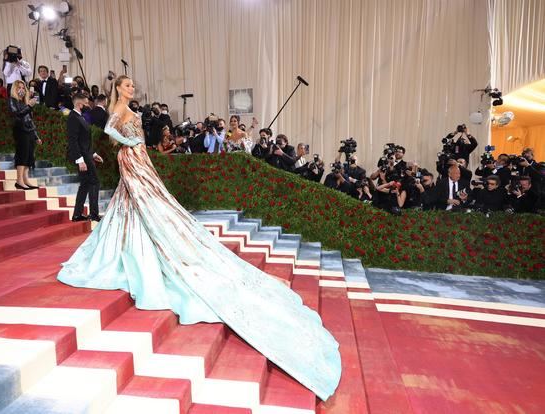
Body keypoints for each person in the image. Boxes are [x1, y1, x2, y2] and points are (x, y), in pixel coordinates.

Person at [57, 75, 341, 401]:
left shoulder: (130, 111)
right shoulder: (117, 112)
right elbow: (116, 137)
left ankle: (133, 244)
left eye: (133, 86)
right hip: (130, 161)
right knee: (137, 204)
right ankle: (128, 247)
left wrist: (140, 154)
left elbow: (134, 141)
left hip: (141, 160)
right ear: (118, 88)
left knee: (143, 205)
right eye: (127, 86)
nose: (132, 89)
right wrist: (129, 151)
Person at [67, 92, 103, 222]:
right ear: (79, 103)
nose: (88, 105)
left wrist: (93, 154)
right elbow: (73, 141)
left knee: (85, 184)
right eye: (86, 103)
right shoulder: (73, 117)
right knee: (94, 182)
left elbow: (84, 140)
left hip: (86, 155)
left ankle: (77, 214)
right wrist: (80, 160)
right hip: (82, 157)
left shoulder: (80, 117)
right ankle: (94, 214)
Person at [8, 80, 41, 190]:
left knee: (29, 155)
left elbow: (30, 121)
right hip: (20, 130)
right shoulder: (12, 101)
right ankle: (19, 180)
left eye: (23, 88)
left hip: (29, 131)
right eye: (19, 88)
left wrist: (36, 136)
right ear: (15, 89)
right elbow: (17, 115)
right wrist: (29, 107)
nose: (21, 90)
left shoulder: (25, 102)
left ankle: (25, 179)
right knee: (22, 154)